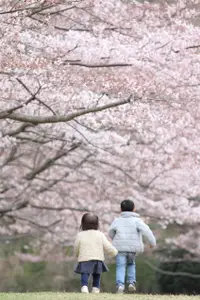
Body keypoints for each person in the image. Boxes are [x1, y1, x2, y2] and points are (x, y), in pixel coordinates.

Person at [108, 199, 156, 293]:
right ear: (134, 209)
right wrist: (152, 242)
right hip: (132, 248)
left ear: (121, 209)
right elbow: (147, 231)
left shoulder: (117, 220)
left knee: (120, 266)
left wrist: (116, 238)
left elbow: (110, 232)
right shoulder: (137, 221)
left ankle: (120, 285)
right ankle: (131, 282)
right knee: (131, 264)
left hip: (120, 248)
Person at [74, 212, 118, 293]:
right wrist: (115, 252)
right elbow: (107, 246)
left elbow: (76, 247)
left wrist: (77, 254)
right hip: (98, 258)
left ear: (82, 224)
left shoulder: (80, 235)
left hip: (84, 258)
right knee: (97, 274)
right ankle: (95, 288)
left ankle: (84, 286)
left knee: (85, 273)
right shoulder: (100, 234)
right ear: (97, 224)